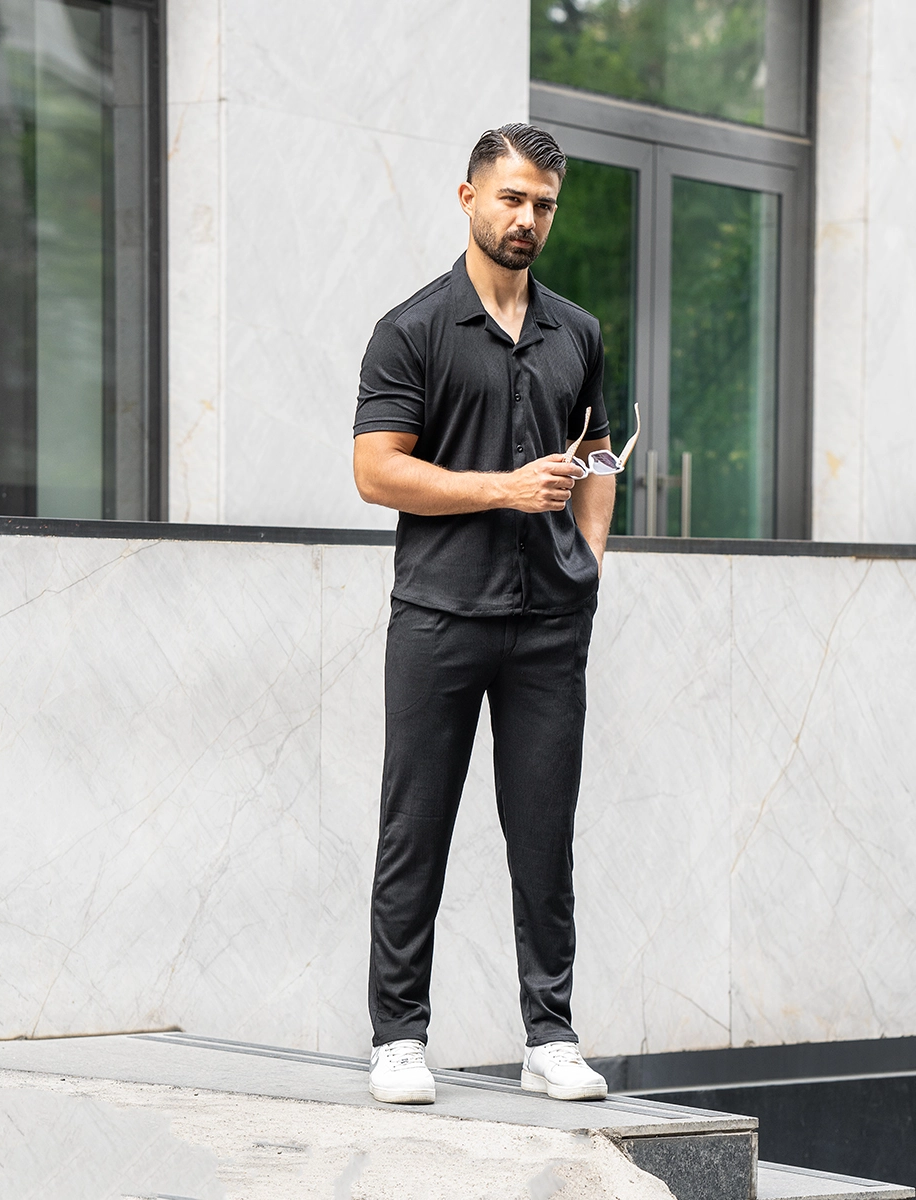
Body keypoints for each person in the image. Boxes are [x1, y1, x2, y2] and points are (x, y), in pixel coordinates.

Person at [353, 123, 623, 1106]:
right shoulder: (412, 329)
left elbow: (597, 452)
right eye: (511, 198)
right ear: (468, 197)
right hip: (439, 617)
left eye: (543, 203)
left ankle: (551, 1037)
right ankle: (398, 1038)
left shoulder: (577, 333)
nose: (527, 219)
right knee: (414, 829)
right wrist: (503, 490)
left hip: (550, 624)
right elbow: (375, 471)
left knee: (544, 835)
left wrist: (587, 557)